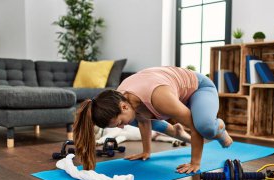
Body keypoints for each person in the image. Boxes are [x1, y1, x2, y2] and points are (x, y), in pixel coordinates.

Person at [73, 66, 233, 173]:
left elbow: (194, 125)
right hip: (172, 95)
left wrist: (195, 163)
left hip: (198, 88)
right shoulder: (121, 98)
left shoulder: (158, 97)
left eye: (119, 123)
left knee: (204, 126)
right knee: (135, 119)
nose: (121, 128)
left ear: (123, 107)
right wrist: (146, 151)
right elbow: (143, 120)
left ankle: (218, 128)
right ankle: (178, 132)